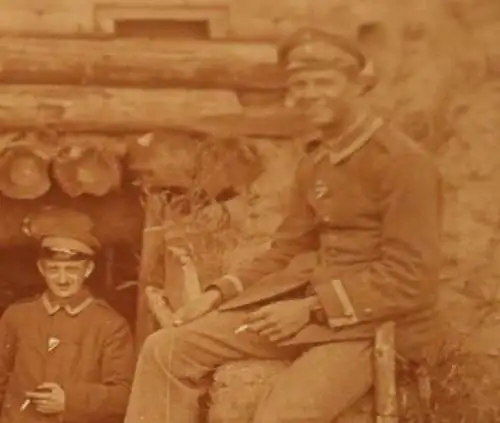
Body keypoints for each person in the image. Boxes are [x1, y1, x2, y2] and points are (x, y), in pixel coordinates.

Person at [124, 27, 443, 423]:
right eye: (300, 83)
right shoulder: (317, 162)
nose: (309, 93)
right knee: (165, 349)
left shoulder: (401, 163)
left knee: (277, 417)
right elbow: (286, 248)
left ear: (359, 85)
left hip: (370, 327)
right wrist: (217, 294)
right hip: (311, 316)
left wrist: (311, 309)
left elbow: (412, 278)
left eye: (323, 82)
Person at [0, 207, 135, 423]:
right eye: (54, 269)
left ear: (88, 269)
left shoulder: (110, 325)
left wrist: (70, 400)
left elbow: (124, 395)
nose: (62, 279)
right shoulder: (16, 317)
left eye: (72, 269)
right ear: (41, 269)